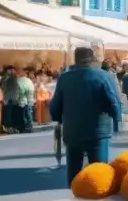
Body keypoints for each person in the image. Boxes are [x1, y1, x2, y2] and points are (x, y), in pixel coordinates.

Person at [50, 47, 122, 186]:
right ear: (92, 59)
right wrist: (116, 119)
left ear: (75, 60)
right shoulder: (103, 76)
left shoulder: (64, 78)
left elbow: (55, 105)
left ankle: (74, 197)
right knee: (100, 173)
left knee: (74, 174)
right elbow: (113, 101)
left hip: (73, 130)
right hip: (98, 130)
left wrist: (58, 118)